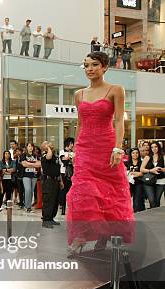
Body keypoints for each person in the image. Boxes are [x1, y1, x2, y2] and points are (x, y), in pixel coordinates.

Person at [66, 51, 135, 254]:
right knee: (83, 191)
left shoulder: (116, 90)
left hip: (107, 146)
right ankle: (81, 236)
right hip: (85, 148)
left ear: (104, 67)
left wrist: (118, 148)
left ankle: (106, 233)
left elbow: (119, 120)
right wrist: (76, 149)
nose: (89, 69)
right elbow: (79, 123)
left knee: (109, 192)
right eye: (86, 65)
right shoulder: (79, 94)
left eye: (94, 65)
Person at [40, 141, 60, 228]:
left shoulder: (54, 156)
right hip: (48, 181)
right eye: (48, 144)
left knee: (55, 200)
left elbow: (57, 169)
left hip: (56, 180)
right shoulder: (45, 155)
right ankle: (46, 220)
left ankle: (51, 218)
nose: (51, 144)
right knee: (48, 200)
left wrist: (61, 181)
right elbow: (48, 156)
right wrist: (47, 148)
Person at [140, 141, 165, 208]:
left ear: (159, 147)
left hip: (160, 181)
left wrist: (160, 169)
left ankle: (155, 216)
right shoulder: (147, 157)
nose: (154, 148)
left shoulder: (163, 157)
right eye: (152, 147)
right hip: (149, 181)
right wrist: (151, 170)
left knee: (157, 201)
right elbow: (142, 169)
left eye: (156, 147)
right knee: (151, 200)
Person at [20, 143, 40, 213]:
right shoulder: (23, 155)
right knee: (27, 190)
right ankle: (27, 206)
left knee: (31, 191)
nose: (30, 148)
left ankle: (29, 207)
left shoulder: (36, 155)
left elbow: (39, 165)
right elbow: (24, 164)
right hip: (26, 175)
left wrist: (29, 164)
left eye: (32, 146)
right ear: (26, 147)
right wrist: (34, 164)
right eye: (29, 146)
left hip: (34, 175)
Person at [126, 147, 145, 213]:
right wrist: (137, 173)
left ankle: (137, 212)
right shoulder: (127, 163)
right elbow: (125, 173)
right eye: (133, 153)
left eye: (137, 153)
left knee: (136, 201)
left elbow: (142, 173)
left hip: (139, 183)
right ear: (130, 154)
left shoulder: (142, 162)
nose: (135, 154)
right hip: (129, 184)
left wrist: (133, 173)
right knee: (127, 199)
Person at [59, 137, 75, 215]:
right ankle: (62, 206)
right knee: (63, 190)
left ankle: (69, 206)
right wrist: (70, 158)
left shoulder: (73, 152)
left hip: (71, 173)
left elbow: (73, 161)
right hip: (63, 173)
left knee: (70, 189)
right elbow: (63, 161)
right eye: (71, 143)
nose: (72, 145)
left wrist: (68, 158)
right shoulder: (62, 151)